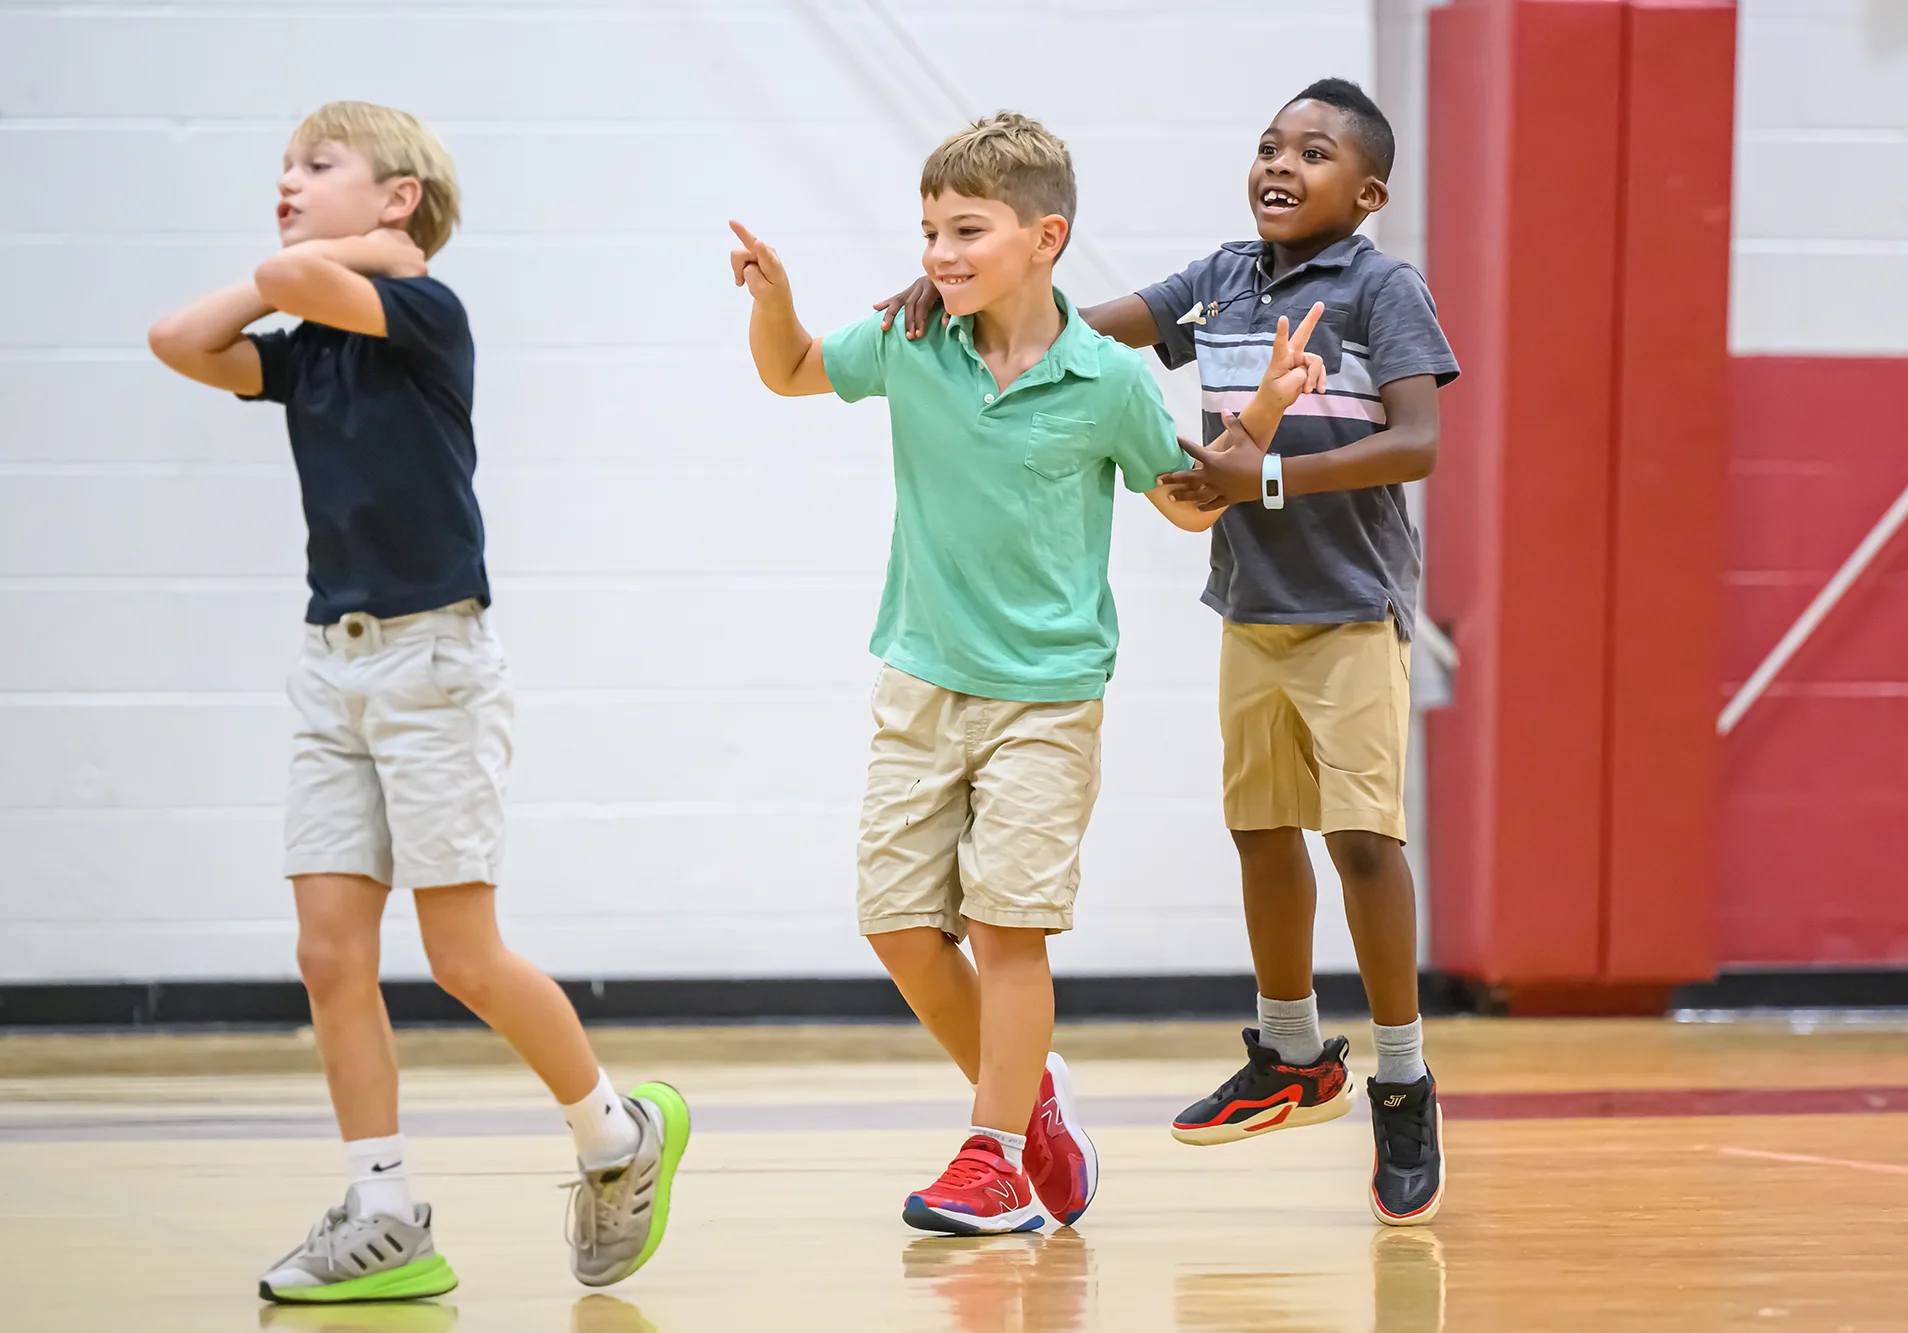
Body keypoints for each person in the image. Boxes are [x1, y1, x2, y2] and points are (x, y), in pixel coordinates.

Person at [875, 78, 1459, 1226]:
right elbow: (1068, 333)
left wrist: (1269, 472)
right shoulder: (1221, 278)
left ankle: (1399, 1073)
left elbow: (1418, 442)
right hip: (1251, 602)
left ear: (1368, 189)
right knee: (1258, 830)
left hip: (1350, 605)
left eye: (1314, 150)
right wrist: (956, 287)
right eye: (1267, 145)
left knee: (1360, 840)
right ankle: (1290, 1050)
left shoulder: (1384, 288)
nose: (1280, 163)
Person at [731, 110, 1319, 1235]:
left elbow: (1188, 504)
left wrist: (1260, 414)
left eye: (966, 230)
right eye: (928, 231)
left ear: (1043, 238)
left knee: (1007, 928)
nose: (939, 253)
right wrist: (772, 302)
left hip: (1047, 696)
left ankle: (993, 1153)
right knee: (899, 925)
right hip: (918, 682)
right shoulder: (909, 341)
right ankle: (1030, 1100)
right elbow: (794, 372)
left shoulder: (1104, 379)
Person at [146, 101, 690, 1301]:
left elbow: (291, 271)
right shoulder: (313, 344)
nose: (286, 180)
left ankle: (614, 1134)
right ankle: (385, 1206)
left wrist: (361, 259)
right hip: (327, 664)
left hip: (433, 665)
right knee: (327, 950)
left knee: (461, 955)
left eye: (317, 165)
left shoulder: (425, 315)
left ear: (398, 199)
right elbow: (177, 338)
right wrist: (324, 260)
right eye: (280, 163)